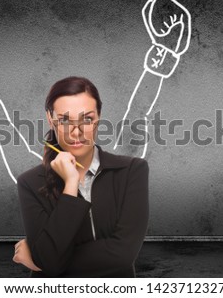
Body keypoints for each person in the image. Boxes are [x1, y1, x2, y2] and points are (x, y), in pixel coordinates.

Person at [13, 76, 149, 277]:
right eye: (65, 120)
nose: (76, 133)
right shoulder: (30, 183)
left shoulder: (131, 171)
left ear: (99, 117)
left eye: (87, 119)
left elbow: (123, 255)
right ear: (50, 120)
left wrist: (39, 258)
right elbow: (49, 261)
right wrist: (70, 185)